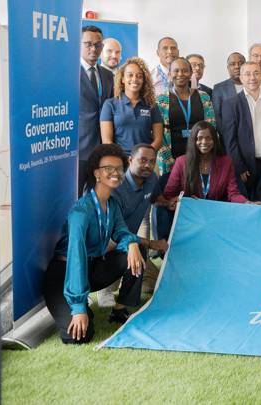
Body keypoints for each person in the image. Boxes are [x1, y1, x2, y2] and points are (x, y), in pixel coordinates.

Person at [42, 144, 145, 344]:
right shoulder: (81, 211)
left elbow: (122, 232)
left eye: (119, 169)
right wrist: (79, 307)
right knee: (77, 337)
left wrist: (132, 243)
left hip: (92, 267)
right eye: (109, 168)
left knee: (138, 249)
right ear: (97, 173)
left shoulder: (112, 204)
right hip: (64, 272)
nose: (116, 173)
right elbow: (76, 258)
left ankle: (120, 308)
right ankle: (78, 303)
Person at [100, 144, 169, 306]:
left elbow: (155, 197)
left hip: (129, 240)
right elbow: (114, 233)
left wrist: (167, 203)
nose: (148, 165)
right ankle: (108, 289)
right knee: (139, 248)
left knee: (154, 284)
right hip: (108, 243)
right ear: (130, 160)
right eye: (143, 160)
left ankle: (130, 286)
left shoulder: (151, 178)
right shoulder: (114, 187)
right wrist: (152, 243)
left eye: (152, 162)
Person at [222, 62, 261, 199]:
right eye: (248, 74)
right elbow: (230, 141)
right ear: (241, 78)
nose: (252, 77)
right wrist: (239, 167)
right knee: (250, 202)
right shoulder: (231, 103)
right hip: (247, 166)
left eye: (256, 73)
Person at [156, 57, 216, 176]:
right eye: (176, 71)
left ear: (190, 74)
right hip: (171, 159)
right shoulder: (161, 100)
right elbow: (159, 134)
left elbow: (212, 127)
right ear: (169, 74)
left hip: (200, 156)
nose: (180, 74)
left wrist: (206, 156)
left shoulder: (204, 97)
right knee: (173, 193)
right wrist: (170, 161)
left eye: (185, 70)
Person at [163, 121, 248, 204]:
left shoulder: (226, 162)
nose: (204, 142)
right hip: (191, 212)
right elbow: (169, 194)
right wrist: (184, 200)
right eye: (199, 138)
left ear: (214, 140)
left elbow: (233, 194)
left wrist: (247, 202)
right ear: (193, 140)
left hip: (214, 212)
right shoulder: (181, 162)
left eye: (208, 138)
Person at [100, 57, 164, 155]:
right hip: (120, 161)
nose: (134, 79)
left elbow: (158, 140)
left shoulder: (151, 105)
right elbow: (107, 142)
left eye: (139, 76)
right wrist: (122, 160)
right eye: (130, 75)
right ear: (122, 79)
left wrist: (143, 157)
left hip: (146, 160)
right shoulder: (110, 104)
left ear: (144, 80)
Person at [79, 26, 114, 196]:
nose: (93, 49)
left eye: (98, 45)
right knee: (76, 198)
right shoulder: (69, 73)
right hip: (78, 149)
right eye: (88, 44)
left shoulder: (108, 75)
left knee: (100, 197)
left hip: (103, 149)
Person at [212, 52, 246, 132]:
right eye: (233, 64)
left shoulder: (253, 85)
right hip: (229, 136)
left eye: (240, 63)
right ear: (228, 68)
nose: (237, 67)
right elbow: (217, 117)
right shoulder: (219, 89)